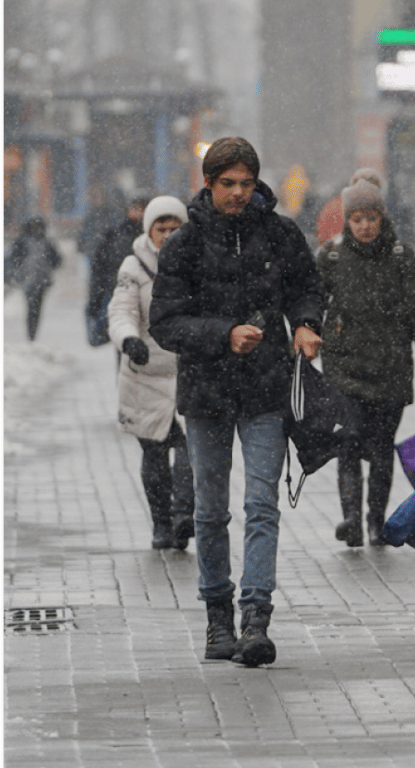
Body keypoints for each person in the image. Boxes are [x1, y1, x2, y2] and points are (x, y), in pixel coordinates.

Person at [149, 137, 326, 668]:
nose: (239, 193)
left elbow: (307, 286)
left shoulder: (278, 232)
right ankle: (217, 618)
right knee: (208, 510)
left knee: (261, 505)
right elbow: (165, 322)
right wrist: (224, 333)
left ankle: (256, 617)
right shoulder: (183, 244)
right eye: (228, 184)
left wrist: (306, 324)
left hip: (266, 389)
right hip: (206, 392)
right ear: (208, 183)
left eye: (247, 184)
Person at [317, 180, 415, 547]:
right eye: (357, 219)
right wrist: (305, 337)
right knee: (349, 442)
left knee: (382, 445)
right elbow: (311, 302)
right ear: (348, 221)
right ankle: (352, 519)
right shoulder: (332, 256)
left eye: (370, 218)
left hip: (391, 367)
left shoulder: (402, 256)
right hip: (344, 368)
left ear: (381, 217)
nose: (365, 226)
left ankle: (376, 519)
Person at [107, 195, 195, 550]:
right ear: (150, 230)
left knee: (192, 451)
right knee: (155, 453)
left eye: (176, 228)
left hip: (187, 373)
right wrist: (128, 340)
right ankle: (161, 523)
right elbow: (121, 310)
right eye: (162, 228)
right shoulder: (133, 266)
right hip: (145, 375)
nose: (169, 235)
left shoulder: (197, 261)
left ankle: (183, 516)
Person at [88, 196, 150, 347]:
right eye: (135, 209)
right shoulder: (114, 235)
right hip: (117, 293)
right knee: (123, 339)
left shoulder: (155, 235)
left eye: (142, 210)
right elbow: (99, 267)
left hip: (149, 297)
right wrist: (95, 298)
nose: (138, 214)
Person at [4, 217, 63, 341]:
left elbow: (57, 260)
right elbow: (13, 259)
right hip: (28, 280)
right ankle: (31, 333)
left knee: (36, 307)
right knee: (32, 306)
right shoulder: (22, 242)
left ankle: (32, 333)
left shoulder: (46, 242)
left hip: (41, 281)